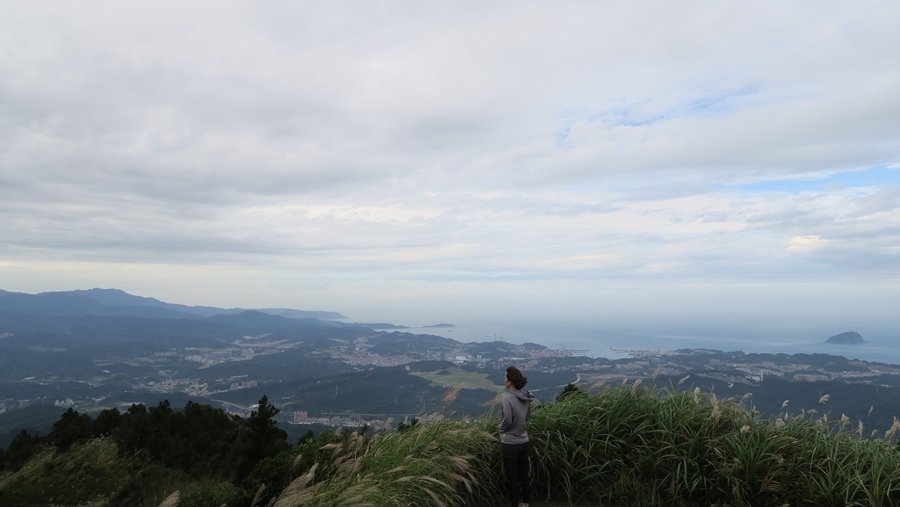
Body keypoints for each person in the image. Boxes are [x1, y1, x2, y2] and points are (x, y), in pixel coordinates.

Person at [498, 365, 535, 507]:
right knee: (524, 474)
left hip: (510, 443)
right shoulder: (526, 397)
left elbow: (507, 420)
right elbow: (527, 417)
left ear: (510, 381)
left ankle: (516, 504)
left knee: (512, 477)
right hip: (524, 441)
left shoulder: (507, 398)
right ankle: (526, 503)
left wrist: (500, 429)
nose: (504, 379)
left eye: (505, 377)